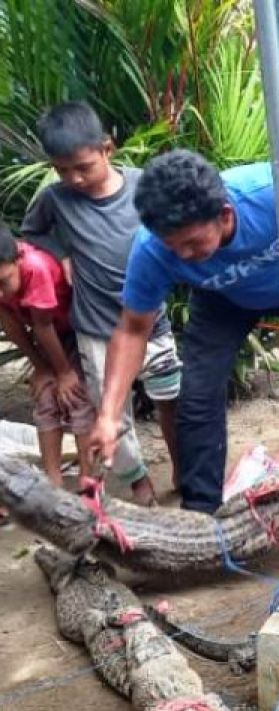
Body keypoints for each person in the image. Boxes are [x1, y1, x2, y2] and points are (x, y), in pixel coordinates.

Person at [91, 150, 279, 544]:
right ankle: (200, 519)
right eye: (174, 247)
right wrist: (109, 414)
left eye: (192, 242)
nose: (183, 256)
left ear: (226, 215)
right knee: (197, 395)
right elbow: (133, 331)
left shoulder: (269, 192)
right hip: (222, 300)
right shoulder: (153, 249)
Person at [20, 101, 181, 506]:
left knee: (171, 401)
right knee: (113, 414)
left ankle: (182, 467)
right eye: (62, 170)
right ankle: (139, 483)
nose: (74, 178)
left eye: (83, 167)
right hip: (96, 331)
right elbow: (31, 233)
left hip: (152, 323)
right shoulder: (55, 200)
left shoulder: (145, 187)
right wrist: (61, 252)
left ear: (107, 149)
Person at [0, 231, 94, 486]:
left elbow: (43, 324)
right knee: (45, 397)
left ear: (18, 259)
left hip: (77, 331)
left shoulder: (35, 267)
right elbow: (10, 324)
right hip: (50, 338)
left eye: (3, 282)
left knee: (76, 398)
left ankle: (88, 480)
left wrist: (64, 373)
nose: (0, 293)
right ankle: (53, 480)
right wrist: (41, 368)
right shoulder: (8, 278)